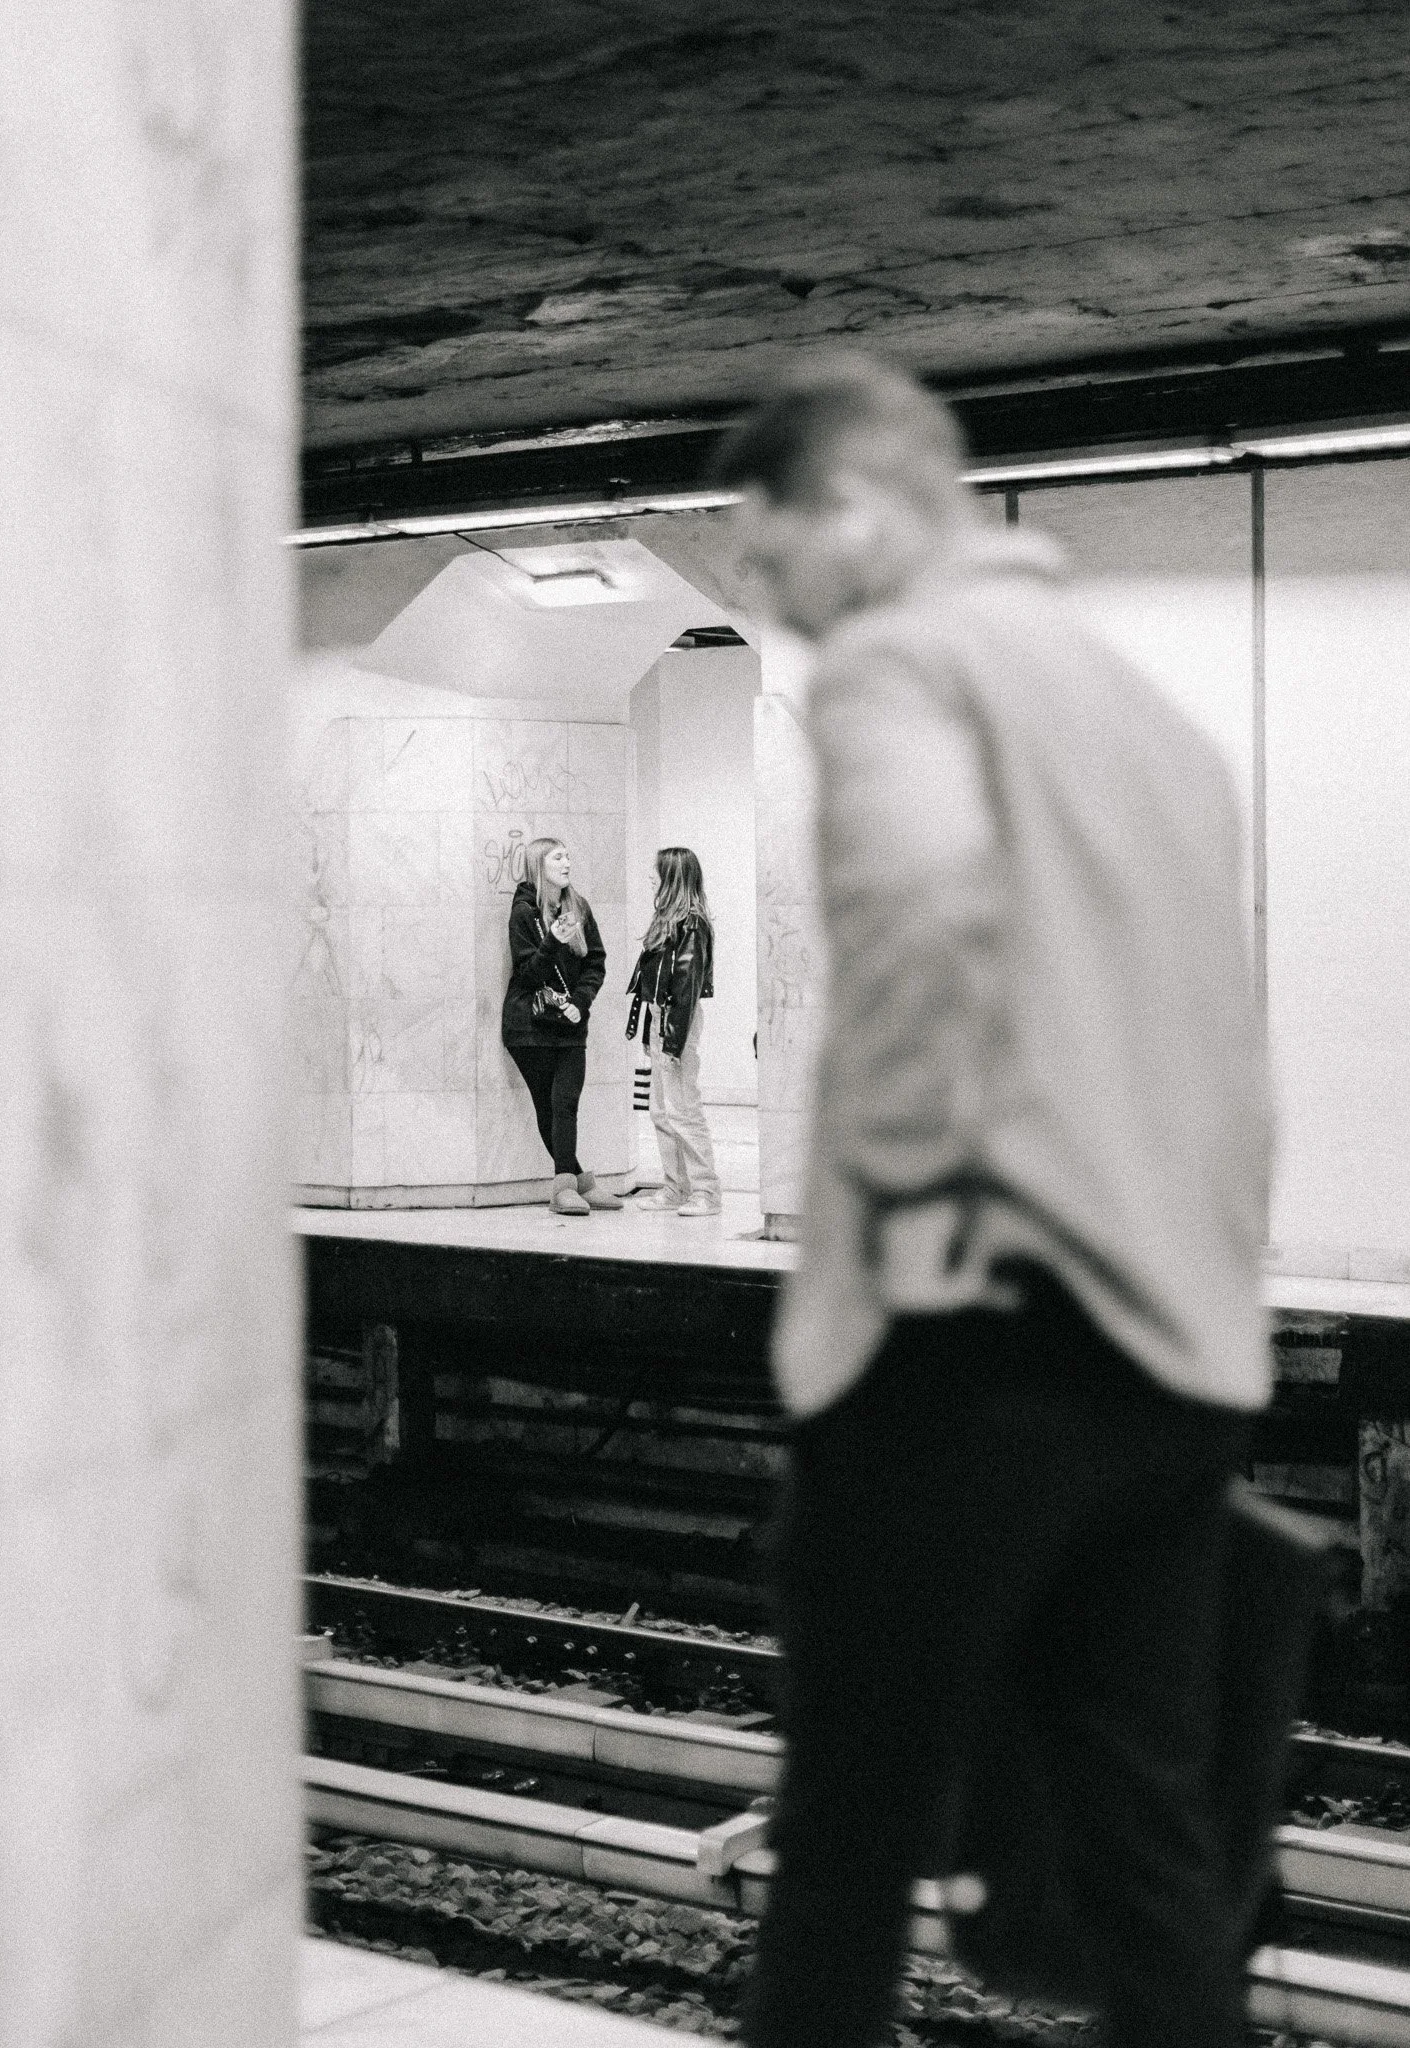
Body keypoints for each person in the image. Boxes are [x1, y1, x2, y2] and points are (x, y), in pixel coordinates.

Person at [715, 355, 1273, 2048]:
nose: (771, 601)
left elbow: (920, 924)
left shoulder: (903, 660)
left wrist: (894, 1225)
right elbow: (1220, 1052)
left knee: (846, 1847)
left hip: (967, 1344)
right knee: (1146, 1861)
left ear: (861, 513)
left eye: (768, 555)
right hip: (1169, 1362)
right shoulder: (1148, 716)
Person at [501, 836, 620, 1216]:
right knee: (549, 1108)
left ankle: (574, 1184)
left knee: (566, 1104)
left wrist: (581, 1003)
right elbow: (528, 972)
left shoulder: (578, 906)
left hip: (570, 1025)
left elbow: (596, 963)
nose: (567, 862)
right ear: (540, 865)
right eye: (558, 857)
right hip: (530, 1028)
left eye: (568, 855)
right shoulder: (523, 912)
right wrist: (552, 941)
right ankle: (567, 1186)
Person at [625, 846, 722, 1215]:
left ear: (672, 878)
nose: (651, 876)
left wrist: (673, 1041)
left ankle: (706, 1192)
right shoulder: (666, 920)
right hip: (660, 1016)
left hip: (676, 1019)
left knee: (683, 1109)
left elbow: (687, 987)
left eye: (656, 871)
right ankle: (675, 1187)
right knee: (661, 1112)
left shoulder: (692, 924)